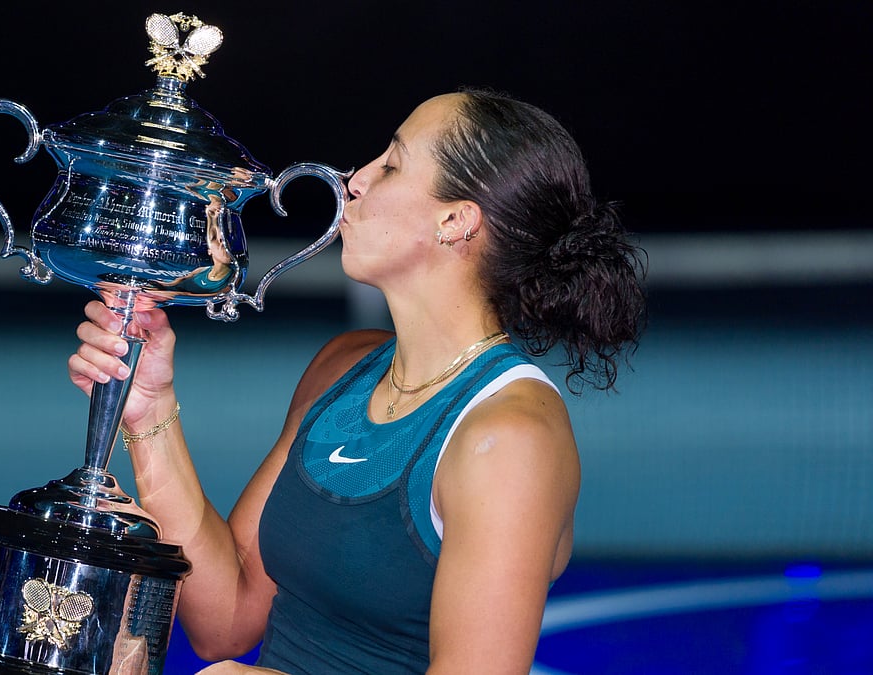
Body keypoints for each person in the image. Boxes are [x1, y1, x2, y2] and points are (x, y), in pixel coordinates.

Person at [69, 87, 646, 674]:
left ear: (455, 221)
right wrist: (149, 409)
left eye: (390, 165)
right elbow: (227, 622)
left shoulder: (511, 436)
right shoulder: (342, 366)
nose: (354, 179)